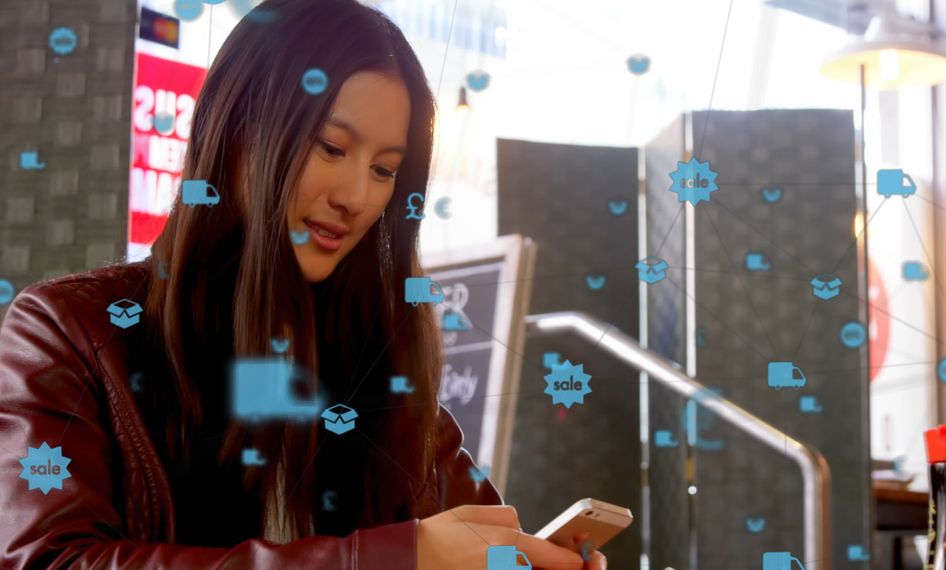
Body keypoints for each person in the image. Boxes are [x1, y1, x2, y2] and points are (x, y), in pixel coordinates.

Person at [0, 0, 606, 568]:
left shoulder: (380, 357)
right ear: (239, 129)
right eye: (332, 147)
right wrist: (392, 557)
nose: (356, 196)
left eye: (383, 169)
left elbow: (464, 539)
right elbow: (53, 559)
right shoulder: (69, 331)